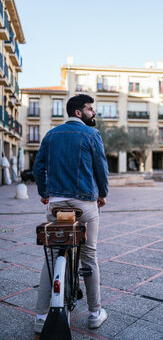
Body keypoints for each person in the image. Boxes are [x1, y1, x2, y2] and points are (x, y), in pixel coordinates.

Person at [33, 94, 109, 333]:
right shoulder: (92, 135)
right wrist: (102, 193)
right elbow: (101, 168)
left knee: (53, 255)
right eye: (90, 109)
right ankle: (95, 313)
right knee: (89, 255)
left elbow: (39, 167)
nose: (93, 112)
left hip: (55, 204)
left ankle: (40, 316)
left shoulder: (51, 135)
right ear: (78, 112)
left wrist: (45, 193)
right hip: (84, 203)